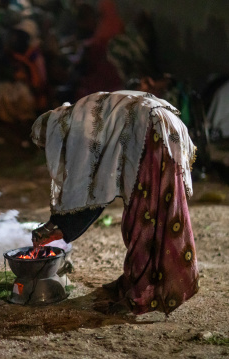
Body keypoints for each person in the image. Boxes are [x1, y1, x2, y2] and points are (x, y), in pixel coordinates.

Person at [30, 90, 199, 315]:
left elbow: (90, 192)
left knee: (144, 219)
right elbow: (96, 189)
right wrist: (57, 225)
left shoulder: (80, 130)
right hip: (163, 128)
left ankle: (141, 295)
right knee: (148, 215)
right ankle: (134, 282)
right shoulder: (80, 113)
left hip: (152, 132)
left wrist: (60, 227)